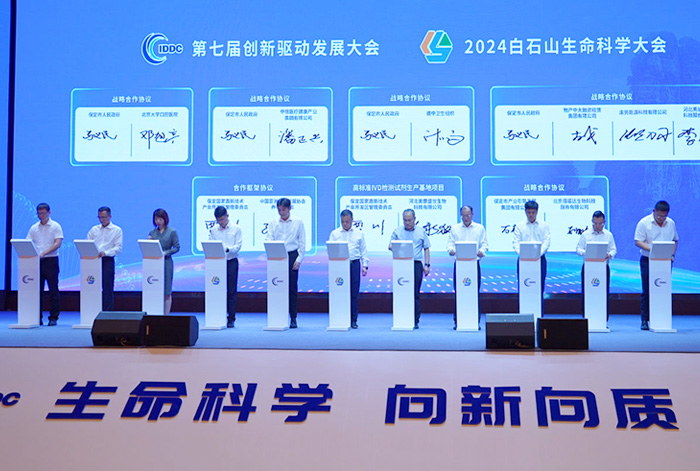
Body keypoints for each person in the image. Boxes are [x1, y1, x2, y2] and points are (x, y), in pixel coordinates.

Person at [634, 200, 678, 330]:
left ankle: (662, 317)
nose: (661, 219)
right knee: (647, 290)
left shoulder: (671, 223)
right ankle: (645, 320)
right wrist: (653, 250)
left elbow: (675, 240)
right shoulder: (644, 223)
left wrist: (672, 254)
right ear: (654, 211)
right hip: (648, 260)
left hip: (665, 261)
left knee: (663, 289)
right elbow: (638, 241)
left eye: (664, 216)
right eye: (659, 216)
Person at [266, 198, 305, 328]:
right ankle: (278, 316)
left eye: (283, 210)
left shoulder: (298, 222)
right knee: (277, 287)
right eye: (279, 210)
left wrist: (299, 259)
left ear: (289, 208)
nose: (281, 212)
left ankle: (293, 318)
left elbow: (302, 242)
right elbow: (269, 238)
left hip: (292, 255)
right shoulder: (273, 222)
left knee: (292, 288)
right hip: (277, 256)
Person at [447, 205, 488, 330]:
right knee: (459, 292)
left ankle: (475, 321)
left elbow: (484, 244)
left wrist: (481, 251)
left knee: (474, 292)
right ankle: (458, 321)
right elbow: (449, 244)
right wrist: (451, 250)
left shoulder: (479, 228)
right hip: (459, 264)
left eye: (468, 215)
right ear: (461, 216)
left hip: (473, 264)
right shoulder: (455, 228)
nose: (466, 218)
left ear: (472, 214)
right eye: (464, 215)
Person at [389, 209, 431, 329]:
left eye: (409, 220)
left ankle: (415, 319)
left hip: (416, 264)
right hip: (401, 264)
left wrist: (427, 265)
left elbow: (426, 248)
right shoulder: (397, 231)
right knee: (401, 292)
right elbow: (390, 246)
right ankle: (401, 316)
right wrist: (397, 246)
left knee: (415, 292)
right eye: (405, 220)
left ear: (414, 219)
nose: (407, 223)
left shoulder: (421, 231)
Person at [329, 209, 369, 329]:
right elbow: (330, 250)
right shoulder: (335, 234)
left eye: (347, 221)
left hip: (354, 264)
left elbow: (363, 250)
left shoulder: (359, 233)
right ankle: (340, 318)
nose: (345, 224)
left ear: (352, 220)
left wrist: (365, 265)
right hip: (339, 266)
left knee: (354, 293)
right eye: (343, 222)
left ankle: (353, 319)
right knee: (340, 292)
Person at [575, 210, 617, 321]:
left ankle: (603, 318)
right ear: (592, 221)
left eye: (600, 223)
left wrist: (609, 255)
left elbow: (613, 250)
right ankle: (586, 317)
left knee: (603, 293)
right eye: (595, 223)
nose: (597, 226)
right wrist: (587, 252)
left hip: (603, 267)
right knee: (587, 292)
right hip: (588, 267)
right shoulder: (585, 234)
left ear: (604, 222)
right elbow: (578, 249)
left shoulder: (608, 235)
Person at [27, 203, 63, 326]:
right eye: (39, 213)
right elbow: (28, 242)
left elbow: (58, 243)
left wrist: (43, 253)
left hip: (51, 260)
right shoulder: (34, 228)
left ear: (49, 213)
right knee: (37, 290)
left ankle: (53, 317)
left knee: (53, 290)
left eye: (43, 213)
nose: (40, 216)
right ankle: (37, 317)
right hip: (36, 261)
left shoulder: (55, 226)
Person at [209, 206, 242, 328]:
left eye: (222, 219)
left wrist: (228, 249)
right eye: (218, 220)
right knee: (217, 289)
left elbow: (237, 247)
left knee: (231, 291)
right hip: (218, 263)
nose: (221, 222)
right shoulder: (214, 230)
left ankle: (231, 318)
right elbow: (211, 245)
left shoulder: (236, 229)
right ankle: (218, 315)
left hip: (231, 261)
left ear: (227, 216)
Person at [87, 206, 123, 312]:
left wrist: (105, 253)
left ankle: (107, 312)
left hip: (107, 260)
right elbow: (87, 243)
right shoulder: (94, 229)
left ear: (110, 216)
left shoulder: (116, 230)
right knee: (92, 285)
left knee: (107, 287)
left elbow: (118, 248)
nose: (102, 219)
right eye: (100, 217)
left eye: (104, 217)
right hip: (93, 260)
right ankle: (93, 310)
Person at [513, 200, 550, 293]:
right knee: (524, 285)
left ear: (537, 212)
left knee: (539, 285)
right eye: (529, 212)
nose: (531, 215)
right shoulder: (519, 226)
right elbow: (516, 242)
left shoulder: (544, 225)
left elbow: (546, 242)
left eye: (533, 212)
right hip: (523, 259)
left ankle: (539, 302)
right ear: (525, 211)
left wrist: (537, 254)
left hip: (540, 259)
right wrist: (523, 254)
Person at [148, 208, 180, 315]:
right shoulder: (152, 233)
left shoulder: (172, 232)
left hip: (166, 263)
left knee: (166, 290)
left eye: (160, 219)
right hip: (154, 263)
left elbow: (177, 247)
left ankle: (166, 315)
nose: (158, 222)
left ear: (165, 219)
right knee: (155, 289)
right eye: (156, 219)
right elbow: (149, 246)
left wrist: (166, 253)